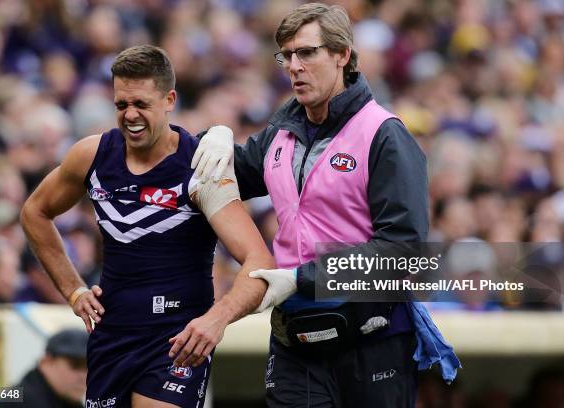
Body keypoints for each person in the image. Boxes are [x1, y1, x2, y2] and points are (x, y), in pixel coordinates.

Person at [191, 3, 460, 407]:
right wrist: (210, 136)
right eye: (286, 55)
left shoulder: (384, 136)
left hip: (372, 341)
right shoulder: (279, 134)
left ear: (342, 55)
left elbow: (404, 253)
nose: (293, 65)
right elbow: (220, 173)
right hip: (295, 341)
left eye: (307, 52)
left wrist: (301, 278)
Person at [20, 44, 274, 408]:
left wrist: (216, 320)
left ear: (169, 99)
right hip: (112, 336)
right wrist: (74, 290)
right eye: (121, 105)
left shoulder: (200, 168)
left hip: (176, 341)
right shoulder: (92, 155)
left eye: (141, 104)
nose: (130, 115)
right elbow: (35, 213)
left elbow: (259, 260)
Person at [0, 328, 89, 408]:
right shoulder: (23, 401)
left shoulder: (64, 400)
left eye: (90, 367)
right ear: (46, 362)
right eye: (75, 365)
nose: (83, 376)